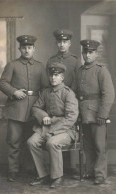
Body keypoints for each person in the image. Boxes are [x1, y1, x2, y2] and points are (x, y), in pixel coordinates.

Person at [0, 35, 49, 182]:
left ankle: (30, 170)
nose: (27, 50)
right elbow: (2, 83)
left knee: (30, 141)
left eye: (29, 47)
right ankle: (13, 171)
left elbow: (45, 88)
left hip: (34, 109)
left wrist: (42, 107)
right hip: (16, 109)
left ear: (34, 49)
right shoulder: (12, 65)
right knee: (14, 142)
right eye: (24, 48)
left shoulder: (40, 66)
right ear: (19, 48)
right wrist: (14, 92)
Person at [27, 62, 79, 188]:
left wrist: (53, 131)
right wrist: (43, 116)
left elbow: (71, 117)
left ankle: (56, 177)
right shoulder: (46, 92)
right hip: (46, 128)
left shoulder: (68, 93)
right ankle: (43, 175)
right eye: (51, 75)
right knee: (31, 142)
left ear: (62, 77)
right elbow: (35, 108)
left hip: (67, 130)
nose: (53, 78)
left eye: (57, 75)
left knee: (52, 142)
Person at [73, 39, 115, 184]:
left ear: (96, 54)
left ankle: (100, 174)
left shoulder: (101, 70)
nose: (87, 55)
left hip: (98, 114)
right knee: (88, 145)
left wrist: (103, 114)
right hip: (83, 113)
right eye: (85, 52)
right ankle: (90, 171)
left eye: (91, 52)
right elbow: (74, 92)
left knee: (99, 146)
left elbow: (109, 94)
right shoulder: (80, 71)